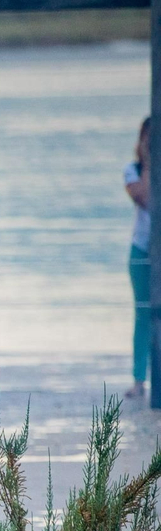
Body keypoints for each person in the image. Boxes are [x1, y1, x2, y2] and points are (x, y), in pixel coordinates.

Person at [125, 117, 151, 401]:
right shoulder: (133, 170)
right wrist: (149, 162)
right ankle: (139, 379)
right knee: (143, 313)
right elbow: (144, 199)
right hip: (142, 249)